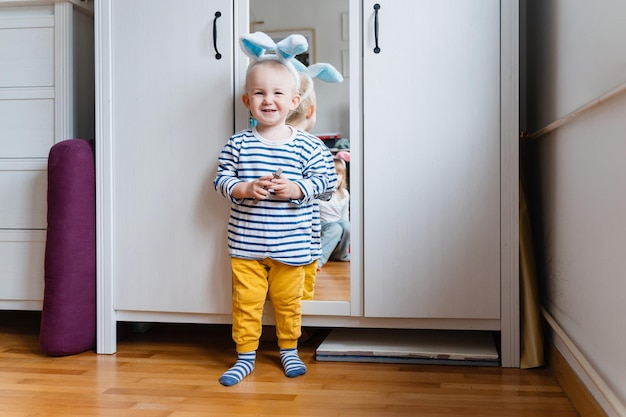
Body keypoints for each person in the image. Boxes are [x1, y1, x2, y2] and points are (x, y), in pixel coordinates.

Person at [213, 32, 336, 387]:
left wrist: (297, 188)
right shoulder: (238, 143)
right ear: (246, 100)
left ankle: (288, 348)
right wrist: (245, 187)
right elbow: (221, 180)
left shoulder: (308, 145)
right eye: (260, 93)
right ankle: (246, 356)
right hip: (246, 247)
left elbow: (327, 184)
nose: (269, 100)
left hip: (292, 247)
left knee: (287, 302)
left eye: (278, 93)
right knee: (246, 304)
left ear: (294, 100)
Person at [318, 155, 350, 269]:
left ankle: (342, 255)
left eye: (337, 174)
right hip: (323, 224)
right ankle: (318, 260)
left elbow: (345, 215)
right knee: (336, 228)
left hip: (337, 222)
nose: (333, 178)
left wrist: (346, 224)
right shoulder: (320, 193)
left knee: (347, 226)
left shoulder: (344, 194)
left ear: (342, 177)